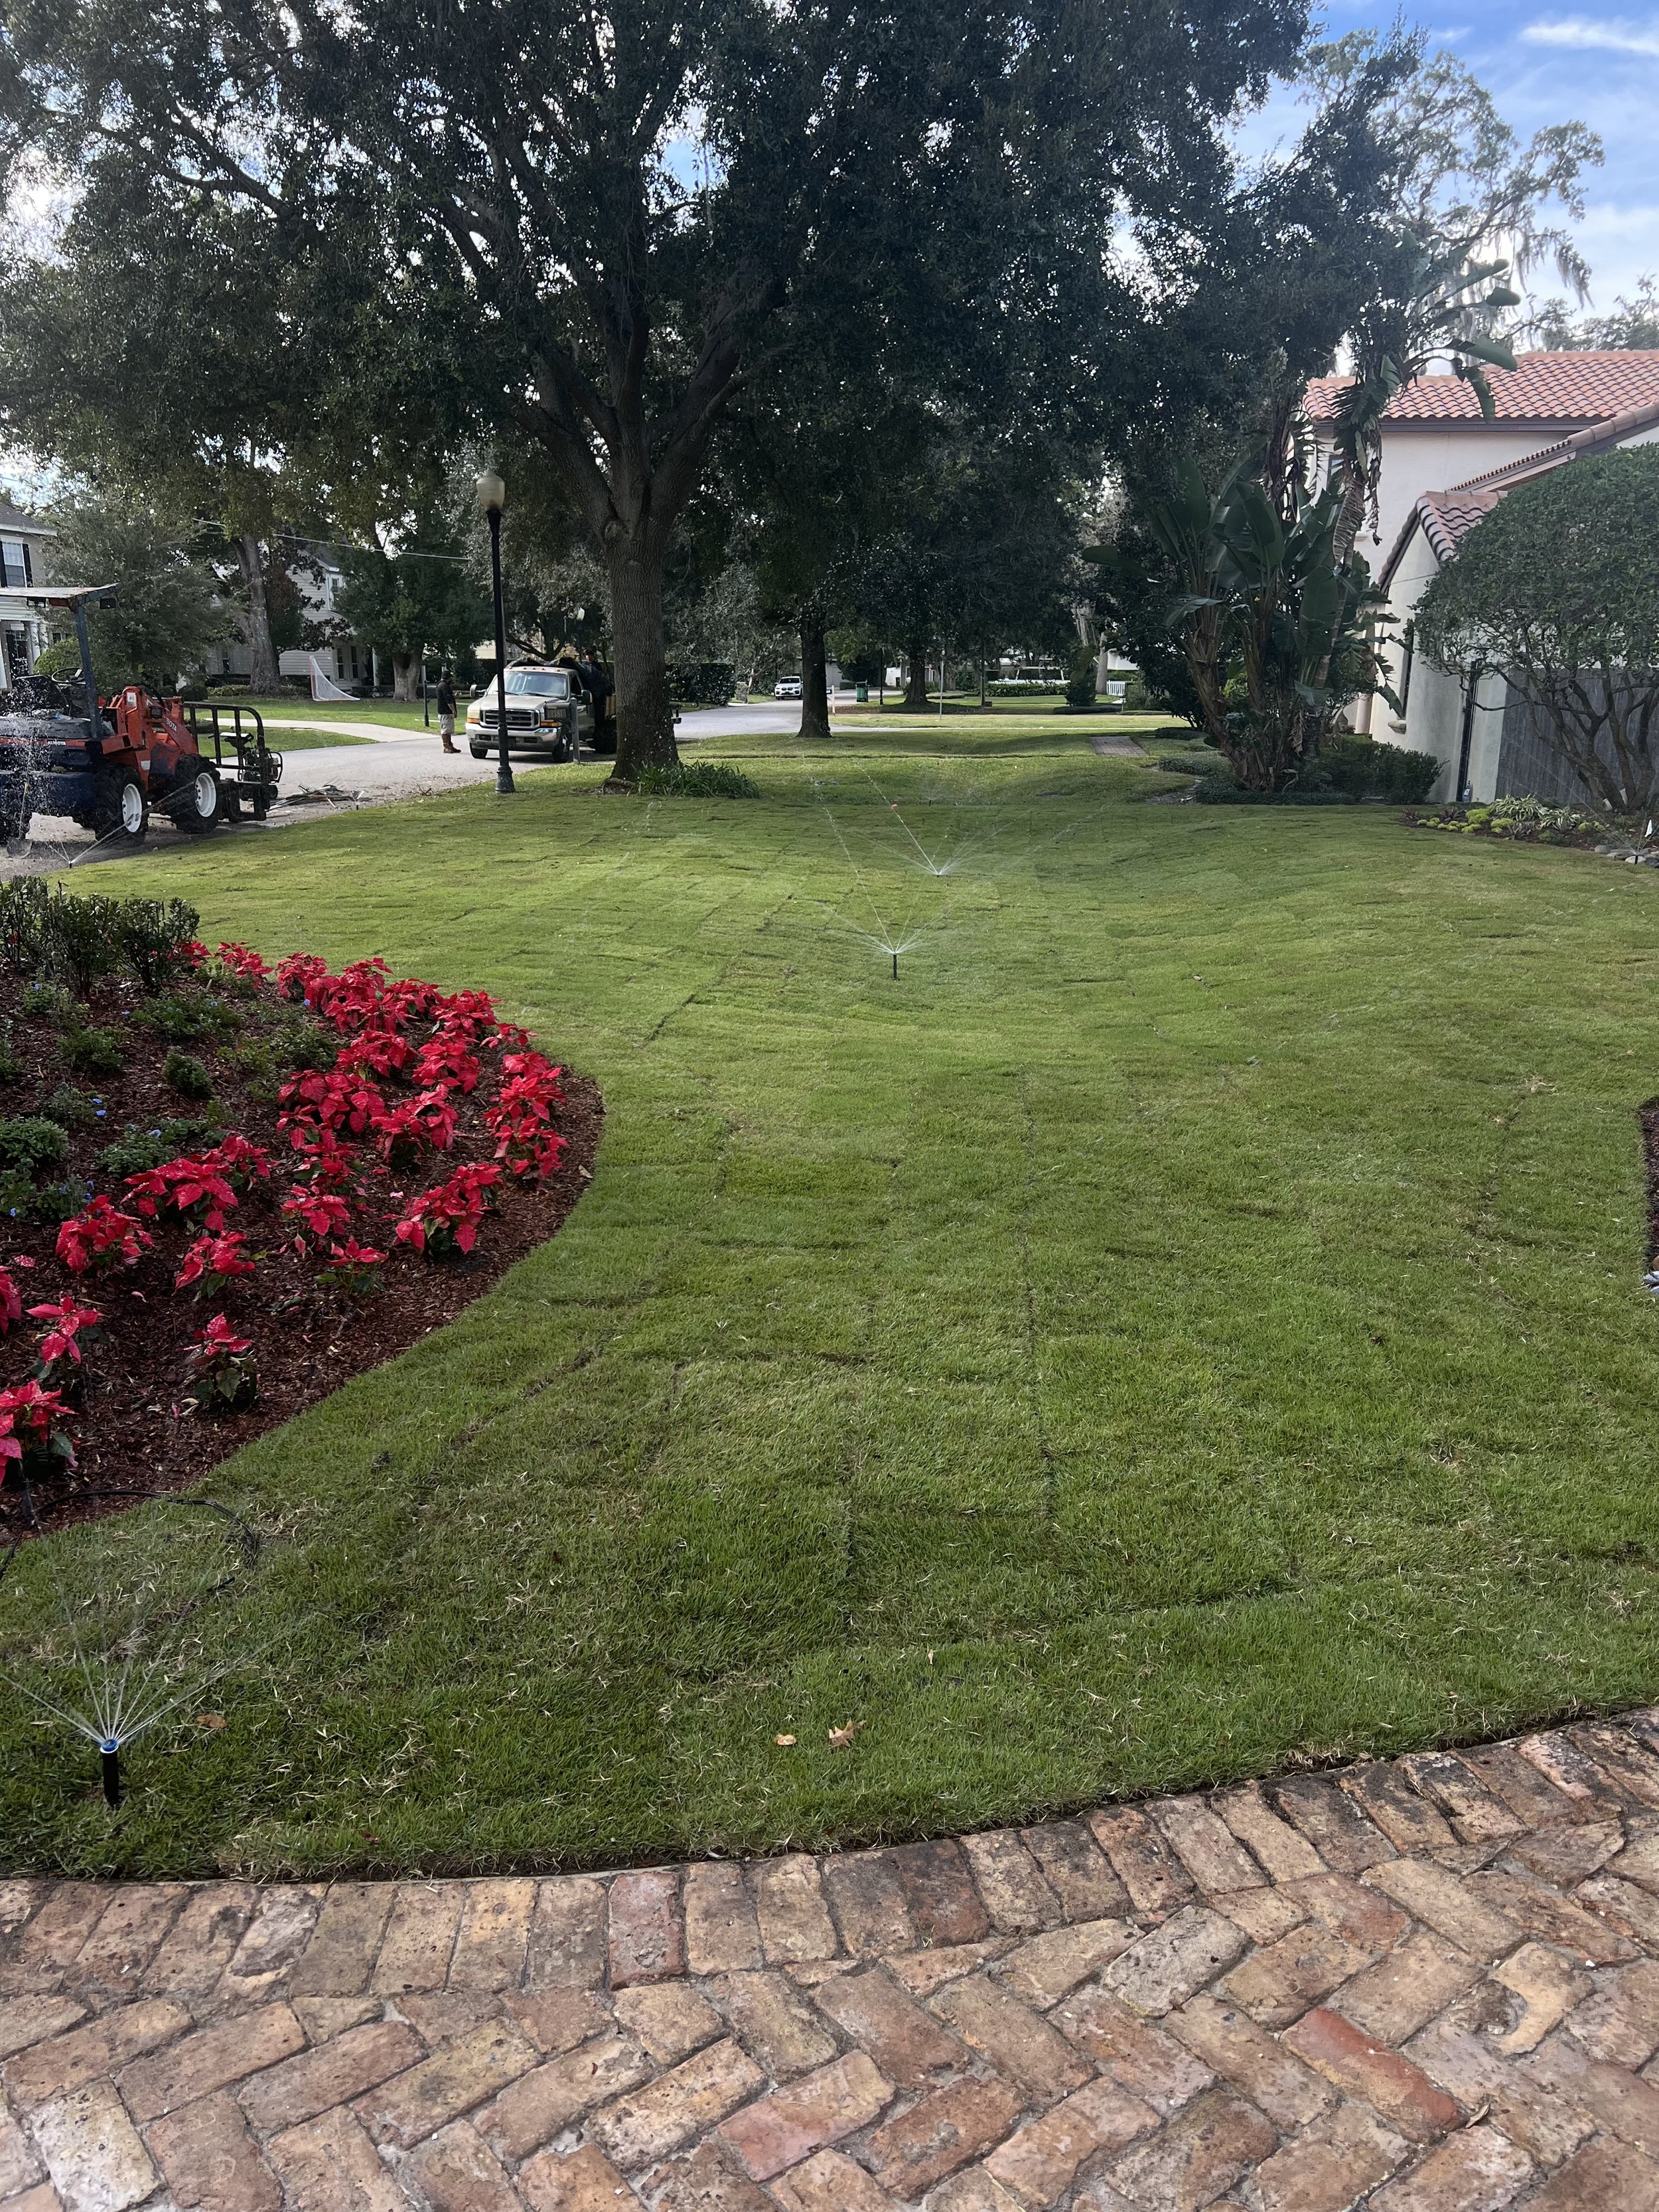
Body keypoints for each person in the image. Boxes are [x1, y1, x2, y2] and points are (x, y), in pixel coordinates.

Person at [435, 667, 457, 753]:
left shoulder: (441, 685)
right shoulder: (445, 686)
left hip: (444, 711)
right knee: (445, 730)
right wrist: (453, 710)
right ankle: (446, 746)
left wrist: (454, 696)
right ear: (448, 678)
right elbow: (448, 699)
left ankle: (450, 745)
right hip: (445, 711)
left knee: (449, 730)